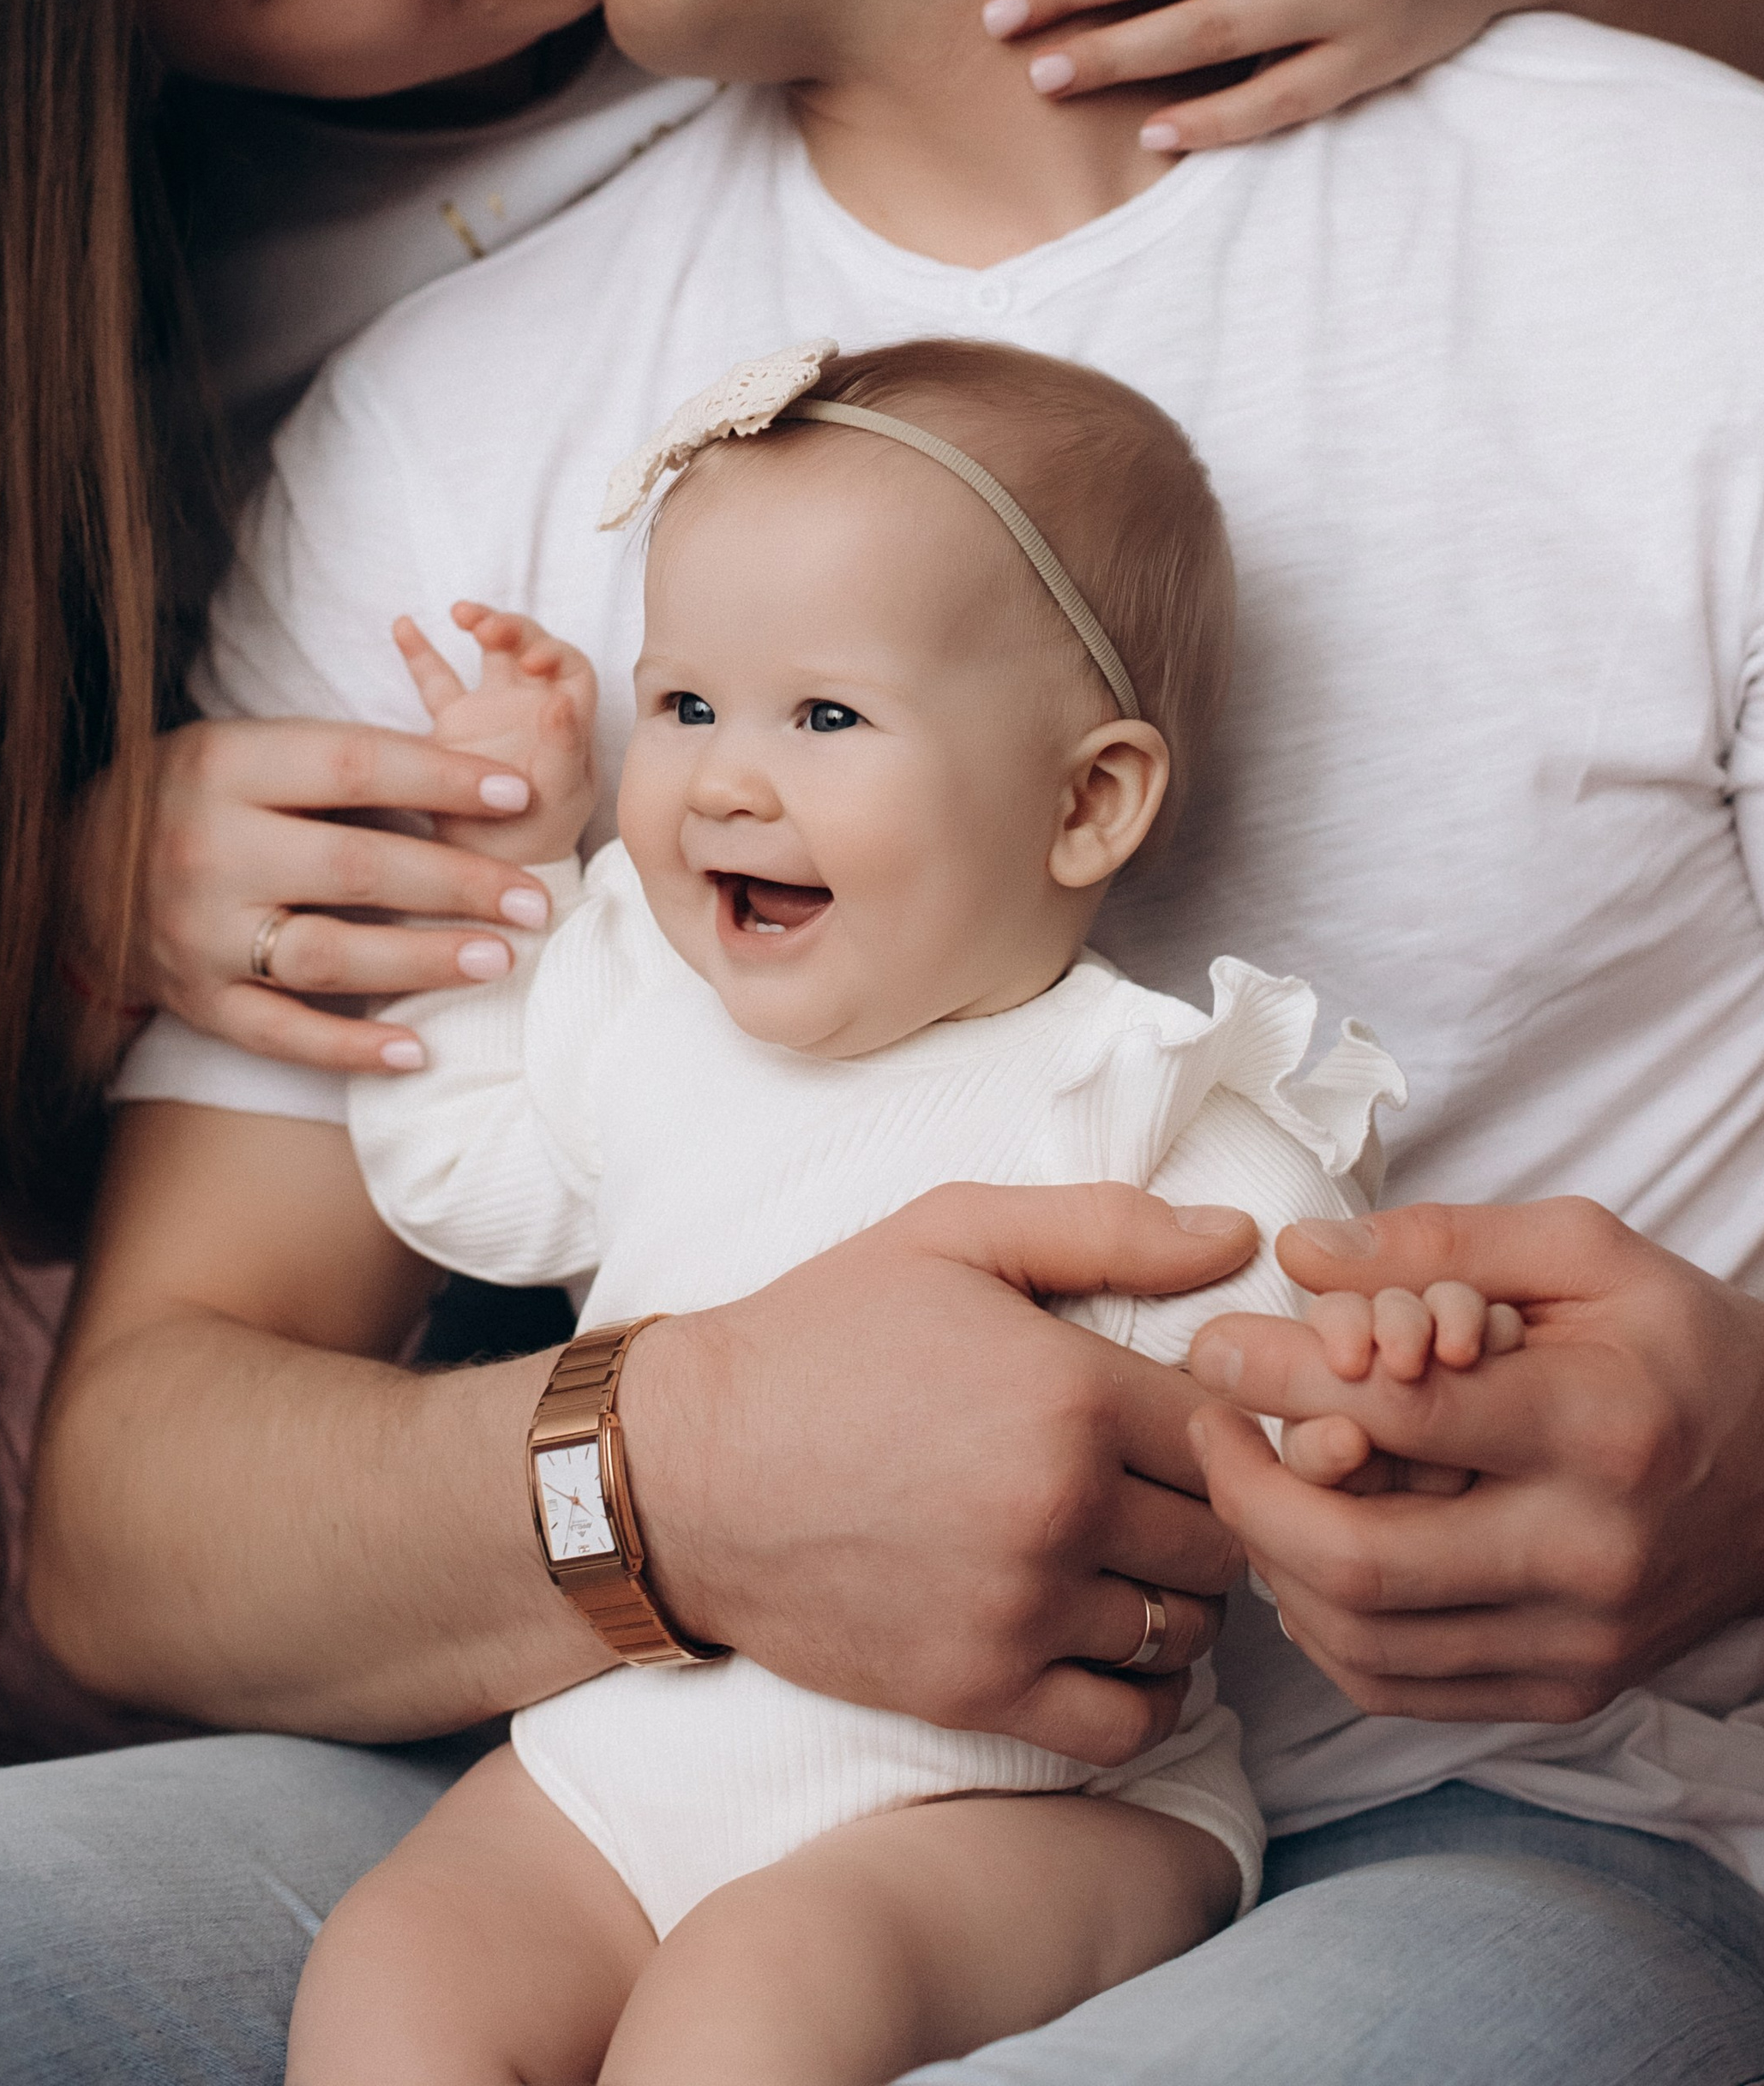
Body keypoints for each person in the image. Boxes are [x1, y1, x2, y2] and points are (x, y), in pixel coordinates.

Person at [0, 0, 1764, 2086]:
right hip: (633, 1750)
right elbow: (135, 1504)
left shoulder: (1757, 272)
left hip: (1521, 1814)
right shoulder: (443, 409)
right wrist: (673, 1487)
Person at [289, 335, 1411, 2083]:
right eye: (681, 707)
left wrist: (1388, 1373)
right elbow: (464, 1177)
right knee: (392, 1981)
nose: (726, 782)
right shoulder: (646, 1020)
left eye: (822, 717)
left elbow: (1317, 1382)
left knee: (751, 2009)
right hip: (618, 1779)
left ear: (1082, 800)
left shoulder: (1133, 1103)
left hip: (1007, 1818)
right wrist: (509, 862)